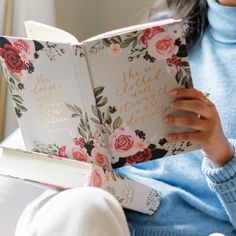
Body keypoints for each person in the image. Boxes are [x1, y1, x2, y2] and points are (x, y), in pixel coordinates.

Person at [15, 0, 236, 235]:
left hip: (195, 228)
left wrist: (222, 153)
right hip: (103, 212)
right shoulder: (161, 30)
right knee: (85, 207)